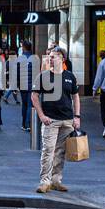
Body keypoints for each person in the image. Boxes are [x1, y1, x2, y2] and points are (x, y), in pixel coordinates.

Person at [32, 47, 81, 193]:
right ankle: (44, 182)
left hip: (67, 121)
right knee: (48, 151)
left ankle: (56, 180)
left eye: (54, 56)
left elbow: (75, 97)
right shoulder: (43, 76)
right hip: (50, 120)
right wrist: (41, 116)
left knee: (60, 152)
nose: (50, 59)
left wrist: (77, 116)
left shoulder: (70, 77)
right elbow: (34, 96)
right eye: (50, 56)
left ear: (62, 59)